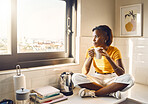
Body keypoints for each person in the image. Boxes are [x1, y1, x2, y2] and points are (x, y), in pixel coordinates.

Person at [72, 25, 134, 99]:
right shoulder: (90, 50)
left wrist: (108, 57)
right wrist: (90, 57)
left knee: (130, 78)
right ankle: (110, 92)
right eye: (93, 37)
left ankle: (95, 93)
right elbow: (84, 72)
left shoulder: (115, 50)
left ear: (106, 38)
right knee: (75, 77)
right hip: (97, 78)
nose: (93, 40)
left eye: (96, 36)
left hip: (111, 78)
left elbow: (121, 73)